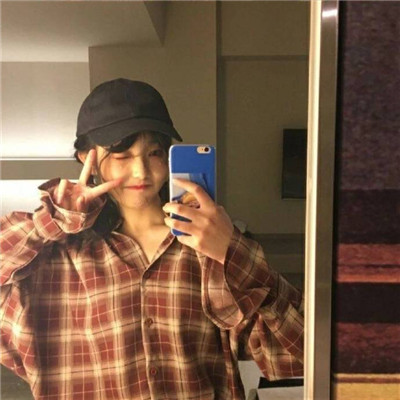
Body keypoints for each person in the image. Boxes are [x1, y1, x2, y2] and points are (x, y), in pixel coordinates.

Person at [0, 78, 304, 400]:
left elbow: (294, 357)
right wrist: (53, 221)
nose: (141, 172)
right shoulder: (57, 255)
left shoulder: (208, 248)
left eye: (154, 153)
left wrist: (233, 253)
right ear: (86, 157)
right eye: (122, 155)